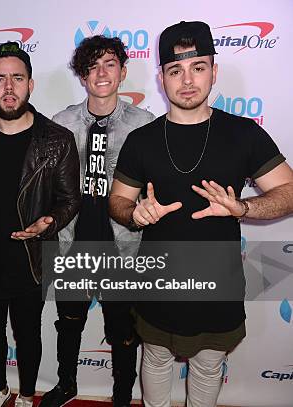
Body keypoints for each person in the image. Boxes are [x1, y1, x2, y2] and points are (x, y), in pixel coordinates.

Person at [108, 21, 293, 407]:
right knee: (155, 359)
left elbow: (288, 191)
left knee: (208, 367)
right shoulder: (141, 140)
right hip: (157, 285)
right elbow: (117, 201)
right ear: (161, 78)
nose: (187, 80)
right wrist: (135, 213)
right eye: (175, 70)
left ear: (214, 71)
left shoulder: (244, 134)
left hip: (217, 288)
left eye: (198, 67)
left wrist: (243, 207)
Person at [0, 42, 81, 407]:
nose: (8, 87)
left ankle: (27, 395)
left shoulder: (56, 140)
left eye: (17, 78)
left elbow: (70, 199)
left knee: (28, 333)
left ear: (30, 85)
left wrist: (50, 221)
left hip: (31, 257)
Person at [41, 35, 155, 407]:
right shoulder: (61, 122)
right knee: (69, 321)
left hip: (124, 245)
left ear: (122, 72)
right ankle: (66, 384)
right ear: (82, 75)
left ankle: (122, 394)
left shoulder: (145, 124)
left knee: (123, 330)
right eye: (93, 66)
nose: (101, 72)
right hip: (74, 240)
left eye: (110, 64)